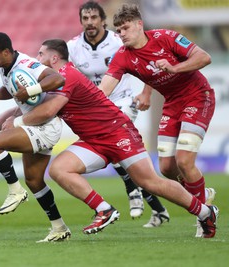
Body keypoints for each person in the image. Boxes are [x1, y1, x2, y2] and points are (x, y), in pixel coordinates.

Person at [14, 38, 218, 238]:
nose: (37, 58)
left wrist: (16, 123)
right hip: (93, 141)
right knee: (59, 169)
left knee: (150, 182)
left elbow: (48, 111)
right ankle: (104, 210)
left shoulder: (66, 75)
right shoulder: (49, 83)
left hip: (117, 132)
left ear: (54, 58)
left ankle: (205, 212)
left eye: (41, 54)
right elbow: (31, 107)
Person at [99, 4, 217, 237]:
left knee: (184, 161)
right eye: (118, 30)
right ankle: (202, 195)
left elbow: (204, 57)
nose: (121, 33)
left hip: (197, 96)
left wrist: (175, 67)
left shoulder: (166, 37)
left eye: (126, 28)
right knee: (165, 167)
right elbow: (104, 89)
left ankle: (205, 217)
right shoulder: (122, 57)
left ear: (139, 25)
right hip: (172, 103)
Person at [66, 1, 170, 226]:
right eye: (85, 18)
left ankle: (132, 190)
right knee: (121, 155)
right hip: (94, 106)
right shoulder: (73, 47)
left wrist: (146, 92)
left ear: (103, 20)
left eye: (94, 17)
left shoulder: (118, 41)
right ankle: (159, 209)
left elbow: (147, 61)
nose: (90, 22)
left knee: (113, 144)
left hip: (121, 101)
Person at [0, 32, 71, 242]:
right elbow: (13, 89)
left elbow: (57, 78)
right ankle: (59, 228)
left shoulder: (26, 64)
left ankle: (15, 191)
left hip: (45, 127)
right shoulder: (5, 67)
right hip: (36, 125)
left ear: (6, 52)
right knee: (34, 181)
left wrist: (32, 89)